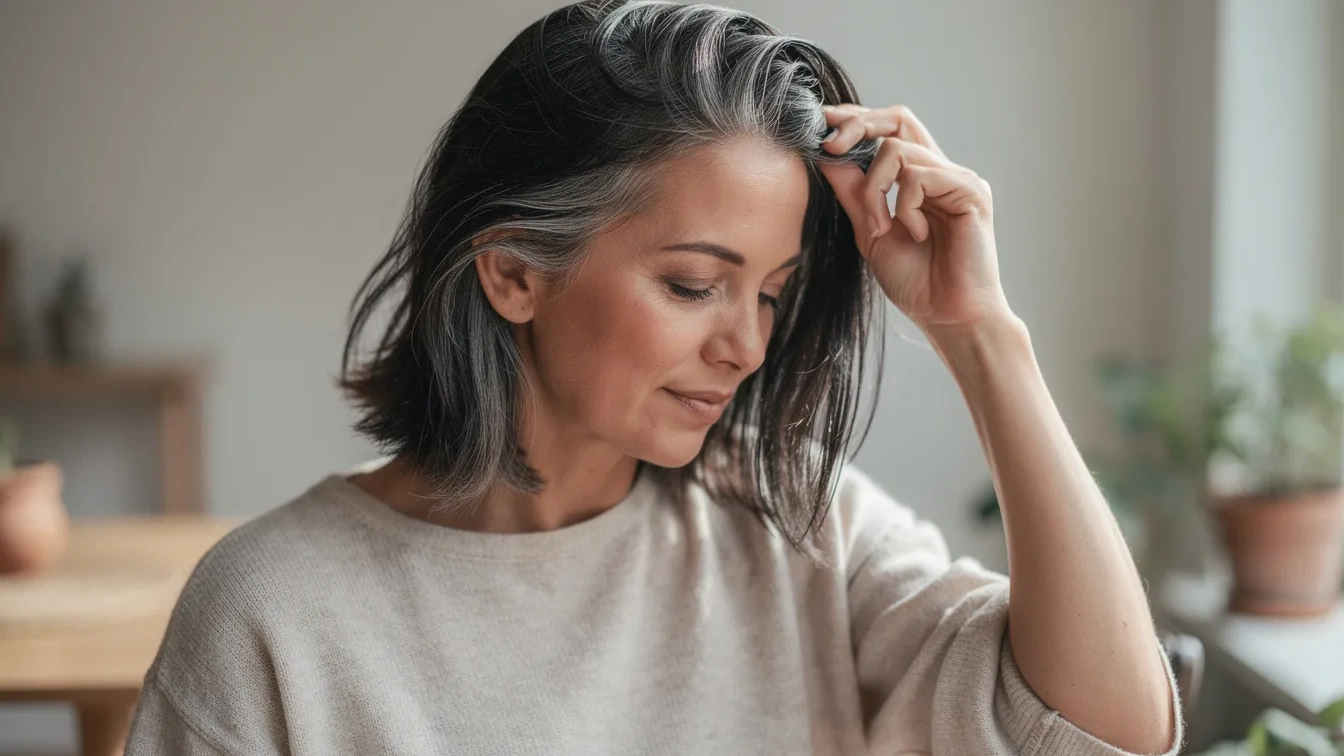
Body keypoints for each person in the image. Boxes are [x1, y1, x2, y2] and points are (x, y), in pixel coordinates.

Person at [125, 2, 1183, 754]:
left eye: (771, 292)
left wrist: (982, 333)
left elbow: (1103, 734)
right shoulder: (274, 615)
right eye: (692, 285)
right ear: (511, 275)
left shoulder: (796, 526)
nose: (749, 347)